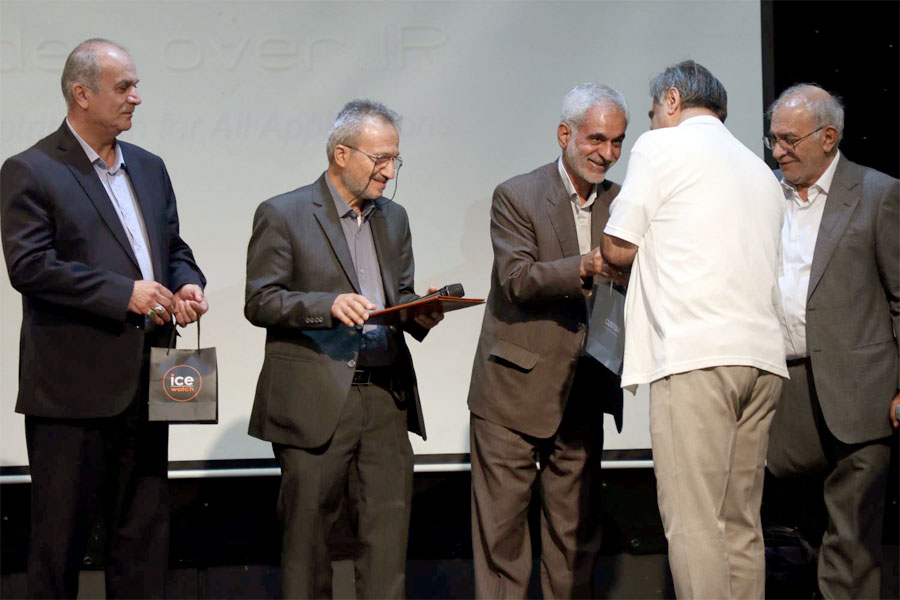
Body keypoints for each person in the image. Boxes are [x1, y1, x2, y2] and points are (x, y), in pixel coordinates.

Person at [0, 38, 208, 598]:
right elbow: (30, 266)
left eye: (136, 86)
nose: (136, 97)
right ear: (82, 94)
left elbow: (173, 247)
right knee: (59, 545)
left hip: (149, 381)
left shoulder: (149, 167)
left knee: (142, 539)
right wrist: (125, 294)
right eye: (124, 87)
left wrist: (187, 282)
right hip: (71, 393)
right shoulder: (31, 170)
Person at [601, 61, 787, 599]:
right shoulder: (759, 170)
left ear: (673, 100)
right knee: (741, 521)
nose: (651, 123)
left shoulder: (662, 147)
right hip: (761, 362)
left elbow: (618, 246)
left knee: (694, 521)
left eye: (653, 111)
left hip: (696, 358)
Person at [244, 99, 442, 599]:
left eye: (395, 159)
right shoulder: (283, 213)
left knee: (387, 543)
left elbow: (396, 295)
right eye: (380, 159)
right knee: (307, 546)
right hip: (315, 398)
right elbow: (260, 300)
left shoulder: (394, 218)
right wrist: (325, 305)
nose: (390, 171)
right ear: (341, 154)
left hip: (385, 395)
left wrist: (420, 311)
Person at [467, 83, 627, 599]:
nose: (607, 153)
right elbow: (517, 279)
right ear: (565, 134)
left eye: (617, 142)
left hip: (583, 389)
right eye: (596, 139)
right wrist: (589, 264)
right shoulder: (518, 194)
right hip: (512, 391)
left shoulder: (623, 203)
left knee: (574, 542)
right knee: (502, 545)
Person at [764, 83, 899, 599]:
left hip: (860, 389)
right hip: (782, 388)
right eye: (774, 139)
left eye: (790, 140)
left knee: (851, 541)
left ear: (828, 137)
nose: (779, 151)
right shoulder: (763, 197)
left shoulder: (877, 193)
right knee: (788, 537)